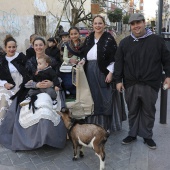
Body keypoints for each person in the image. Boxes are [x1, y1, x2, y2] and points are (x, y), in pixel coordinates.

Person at [114, 13, 170, 149]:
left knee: (148, 111)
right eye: (133, 24)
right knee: (132, 110)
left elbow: (167, 60)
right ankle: (132, 134)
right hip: (130, 83)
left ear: (144, 23)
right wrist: (118, 80)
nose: (136, 26)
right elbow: (119, 63)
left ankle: (147, 136)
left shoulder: (157, 41)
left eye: (138, 23)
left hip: (150, 83)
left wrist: (168, 76)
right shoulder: (125, 43)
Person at [0, 36, 67, 151]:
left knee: (46, 102)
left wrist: (51, 83)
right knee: (37, 105)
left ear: (45, 46)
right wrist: (36, 85)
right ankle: (35, 137)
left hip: (51, 89)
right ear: (33, 46)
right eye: (36, 45)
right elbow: (26, 80)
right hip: (35, 89)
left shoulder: (52, 60)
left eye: (41, 45)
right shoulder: (29, 61)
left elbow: (59, 78)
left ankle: (48, 136)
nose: (38, 47)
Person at [79, 15, 126, 132]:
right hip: (89, 71)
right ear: (92, 25)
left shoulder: (109, 38)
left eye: (100, 23)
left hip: (103, 72)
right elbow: (85, 54)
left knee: (105, 97)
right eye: (95, 23)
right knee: (93, 96)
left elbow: (115, 57)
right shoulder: (89, 38)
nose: (97, 25)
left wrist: (110, 73)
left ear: (104, 25)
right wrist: (82, 61)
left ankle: (106, 126)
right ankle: (93, 125)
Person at [0, 35, 28, 123]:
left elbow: (28, 72)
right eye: (9, 47)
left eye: (13, 47)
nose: (11, 49)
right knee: (3, 97)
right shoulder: (2, 60)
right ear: (5, 48)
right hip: (7, 85)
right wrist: (4, 84)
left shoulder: (21, 57)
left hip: (21, 84)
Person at [61, 27, 83, 97]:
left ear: (79, 34)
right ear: (69, 35)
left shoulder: (83, 44)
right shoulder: (67, 45)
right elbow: (64, 57)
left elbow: (84, 55)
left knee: (79, 83)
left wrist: (78, 61)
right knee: (69, 83)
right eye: (72, 34)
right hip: (68, 67)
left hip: (80, 66)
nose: (74, 36)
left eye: (75, 34)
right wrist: (70, 60)